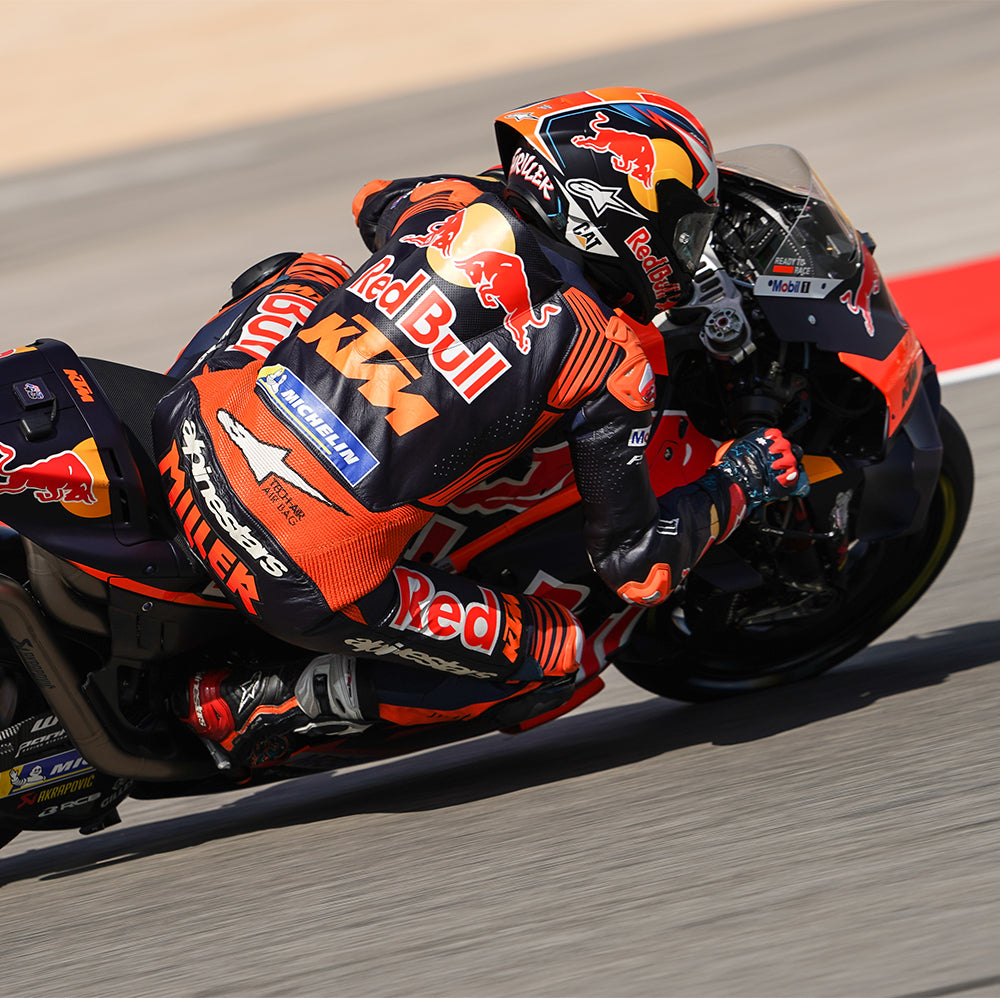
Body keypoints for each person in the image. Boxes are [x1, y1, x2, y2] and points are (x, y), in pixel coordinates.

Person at [154, 87, 807, 766]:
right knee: (559, 655)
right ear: (626, 219)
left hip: (187, 433)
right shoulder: (612, 356)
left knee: (308, 272)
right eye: (686, 231)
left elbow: (372, 200)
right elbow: (638, 569)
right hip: (299, 565)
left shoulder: (449, 201)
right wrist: (741, 480)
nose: (689, 252)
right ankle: (264, 700)